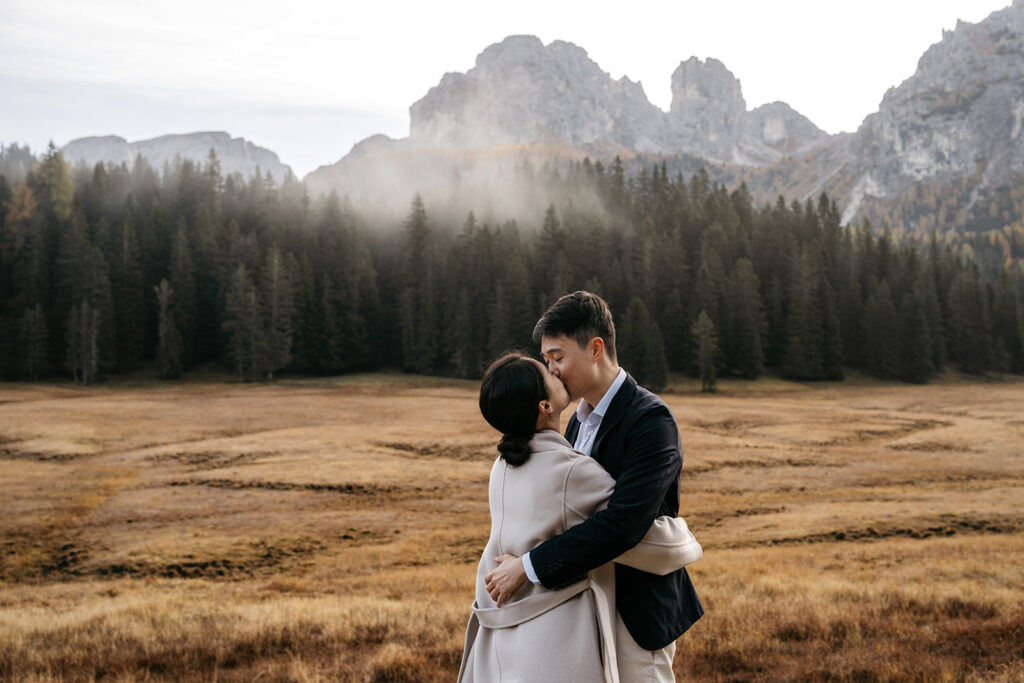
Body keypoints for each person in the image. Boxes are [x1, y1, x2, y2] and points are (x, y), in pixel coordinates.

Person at [484, 291, 703, 682]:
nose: (551, 372)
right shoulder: (574, 424)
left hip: (636, 612)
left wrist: (528, 566)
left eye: (558, 358)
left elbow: (625, 524)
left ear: (596, 348)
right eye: (547, 361)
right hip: (586, 609)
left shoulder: (651, 422)